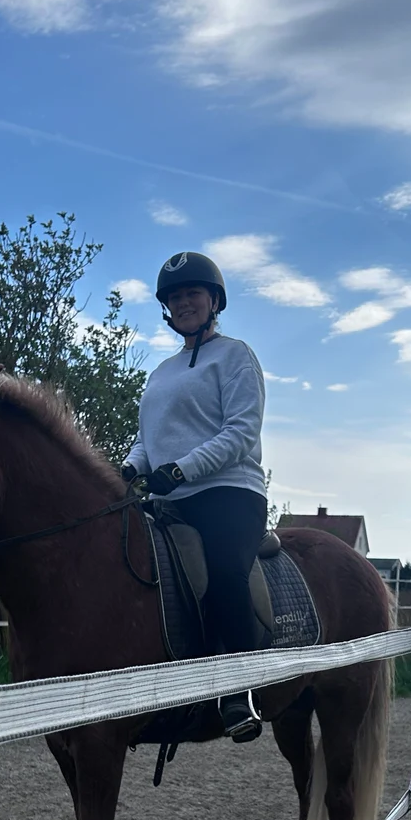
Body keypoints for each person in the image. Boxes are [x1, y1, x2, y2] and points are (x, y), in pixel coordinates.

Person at [121, 252, 267, 742]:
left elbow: (241, 431)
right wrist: (129, 468)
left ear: (214, 301)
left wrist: (183, 468)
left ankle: (240, 690)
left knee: (225, 574)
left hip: (229, 493)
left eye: (192, 294)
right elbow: (149, 438)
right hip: (171, 496)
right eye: (175, 297)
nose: (184, 303)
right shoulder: (161, 372)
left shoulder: (235, 355)